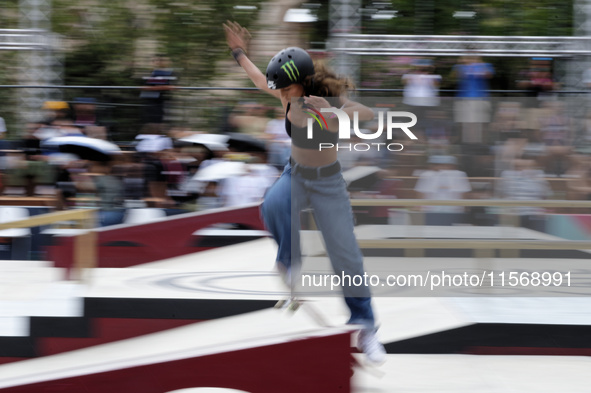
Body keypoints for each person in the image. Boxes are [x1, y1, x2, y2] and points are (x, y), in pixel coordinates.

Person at [224, 21, 386, 364]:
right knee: (273, 204)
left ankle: (365, 325)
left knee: (346, 254)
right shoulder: (285, 93)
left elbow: (366, 114)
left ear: (301, 83)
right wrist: (239, 52)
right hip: (295, 173)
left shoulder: (324, 96)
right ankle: (290, 261)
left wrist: (332, 112)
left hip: (328, 183)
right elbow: (257, 78)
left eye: (285, 91)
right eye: (279, 91)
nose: (280, 96)